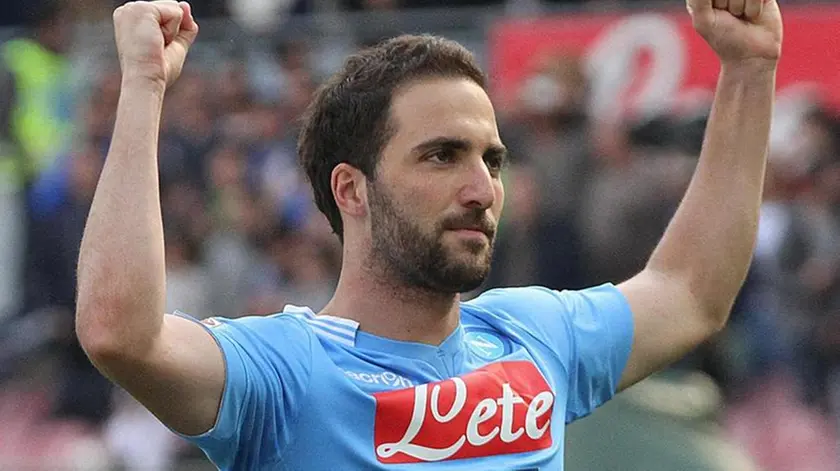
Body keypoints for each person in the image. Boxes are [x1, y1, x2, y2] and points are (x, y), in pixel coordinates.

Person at [75, 0, 783, 469]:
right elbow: (119, 332)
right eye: (442, 155)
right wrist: (144, 86)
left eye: (493, 159)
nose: (483, 189)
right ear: (351, 189)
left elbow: (691, 289)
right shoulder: (284, 373)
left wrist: (750, 69)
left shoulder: (537, 337)